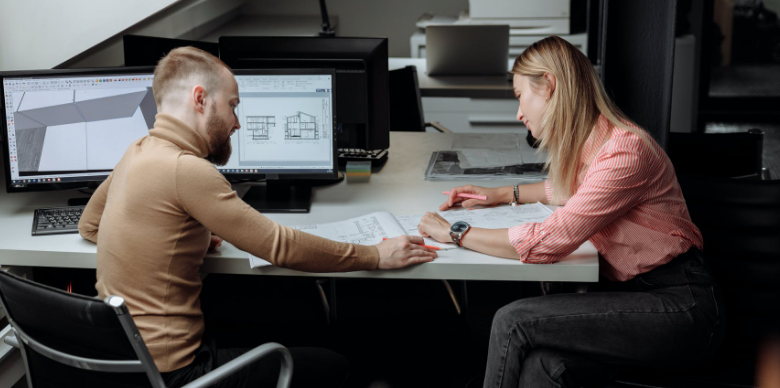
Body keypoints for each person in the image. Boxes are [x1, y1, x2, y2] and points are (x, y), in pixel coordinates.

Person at [78, 46, 437, 388]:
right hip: (177, 374)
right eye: (233, 105)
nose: (236, 122)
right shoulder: (184, 170)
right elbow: (280, 246)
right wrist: (375, 255)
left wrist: (177, 239)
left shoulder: (138, 151)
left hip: (123, 362)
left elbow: (89, 225)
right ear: (200, 99)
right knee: (336, 363)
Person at [417, 36, 725, 388]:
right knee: (542, 367)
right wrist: (501, 193)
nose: (518, 113)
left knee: (512, 320)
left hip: (681, 308)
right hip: (633, 298)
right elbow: (567, 190)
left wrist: (455, 233)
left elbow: (549, 242)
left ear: (548, 85)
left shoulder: (626, 151)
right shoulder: (597, 143)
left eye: (520, 96)